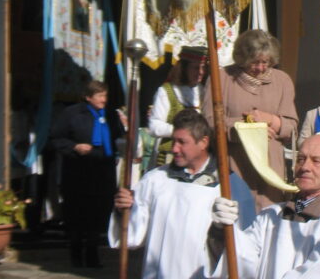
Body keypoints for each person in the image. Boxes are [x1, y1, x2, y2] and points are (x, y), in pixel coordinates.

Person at [109, 109, 254, 279]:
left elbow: (245, 248)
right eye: (173, 141)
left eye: (181, 142)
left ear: (203, 142)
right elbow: (132, 235)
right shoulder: (155, 180)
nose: (174, 149)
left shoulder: (231, 187)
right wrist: (122, 210)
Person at [210, 134, 320, 278]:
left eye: (316, 161)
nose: (305, 167)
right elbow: (241, 260)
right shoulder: (271, 216)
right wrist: (222, 230)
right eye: (301, 159)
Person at [202, 29, 299, 211]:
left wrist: (269, 119)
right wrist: (248, 128)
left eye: (266, 62)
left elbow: (291, 127)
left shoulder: (282, 80)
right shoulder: (222, 78)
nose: (261, 68)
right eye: (255, 62)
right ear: (242, 58)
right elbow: (209, 122)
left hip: (271, 172)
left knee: (269, 224)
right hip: (234, 167)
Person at [51, 80, 124, 268]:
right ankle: (76, 252)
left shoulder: (109, 114)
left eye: (105, 95)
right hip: (79, 171)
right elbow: (56, 138)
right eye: (100, 96)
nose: (104, 100)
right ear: (88, 97)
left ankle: (93, 254)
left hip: (102, 170)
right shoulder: (72, 114)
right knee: (77, 215)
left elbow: (118, 136)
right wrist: (74, 146)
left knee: (97, 213)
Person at [148, 45, 208, 166]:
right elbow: (154, 126)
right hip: (172, 156)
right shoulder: (166, 91)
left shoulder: (204, 92)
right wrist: (183, 132)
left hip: (196, 158)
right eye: (196, 68)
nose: (201, 72)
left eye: (203, 68)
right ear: (184, 68)